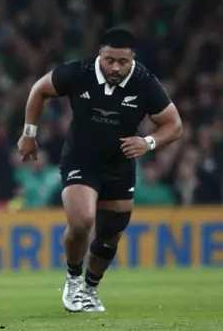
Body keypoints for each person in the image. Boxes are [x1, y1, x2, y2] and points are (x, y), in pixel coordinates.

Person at [18, 28, 182, 312]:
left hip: (119, 166)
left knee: (110, 235)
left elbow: (174, 124)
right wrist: (29, 133)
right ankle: (72, 279)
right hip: (80, 160)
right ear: (100, 55)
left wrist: (148, 142)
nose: (115, 67)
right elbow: (39, 90)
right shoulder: (78, 72)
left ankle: (91, 288)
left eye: (123, 62)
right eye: (109, 60)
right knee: (82, 221)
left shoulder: (144, 82)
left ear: (132, 59)